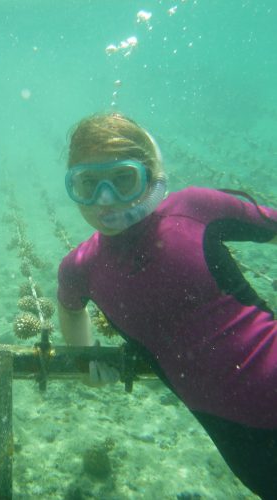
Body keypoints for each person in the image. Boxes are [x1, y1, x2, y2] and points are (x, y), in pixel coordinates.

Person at [57, 113, 277, 498]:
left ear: (151, 176)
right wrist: (85, 360)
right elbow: (71, 310)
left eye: (123, 180)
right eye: (87, 184)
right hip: (241, 445)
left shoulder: (195, 207)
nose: (104, 200)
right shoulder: (80, 267)